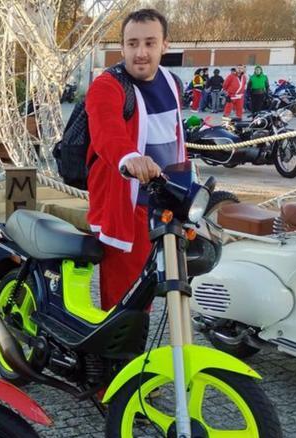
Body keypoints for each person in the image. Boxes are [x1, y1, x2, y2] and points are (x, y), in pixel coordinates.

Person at [85, 8, 185, 309]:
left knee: (166, 286)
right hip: (128, 206)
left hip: (166, 203)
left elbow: (176, 139)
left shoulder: (172, 82)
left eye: (150, 43)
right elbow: (106, 129)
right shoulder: (108, 85)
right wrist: (129, 156)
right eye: (132, 44)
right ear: (122, 47)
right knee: (125, 301)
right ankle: (114, 357)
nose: (141, 52)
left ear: (165, 45)